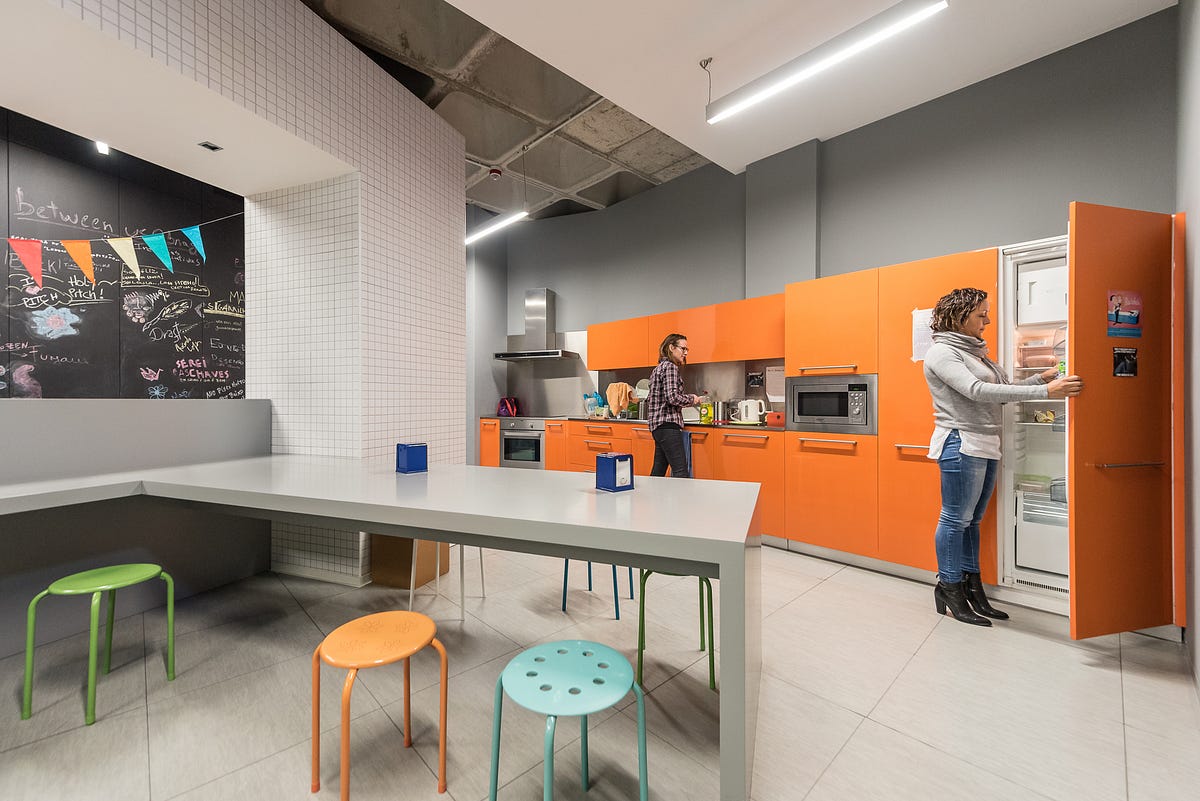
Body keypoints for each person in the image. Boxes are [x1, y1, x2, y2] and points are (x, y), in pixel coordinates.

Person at [924, 288, 1083, 626]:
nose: (987, 320)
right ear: (959, 315)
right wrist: (1044, 391)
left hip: (985, 441)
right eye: (981, 314)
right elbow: (976, 391)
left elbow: (1002, 389)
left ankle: (972, 588)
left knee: (972, 521)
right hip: (960, 441)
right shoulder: (942, 352)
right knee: (955, 519)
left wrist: (1041, 378)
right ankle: (949, 586)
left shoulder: (977, 353)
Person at [644, 333, 702, 477]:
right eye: (683, 349)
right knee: (681, 472)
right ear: (671, 347)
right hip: (668, 426)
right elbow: (672, 397)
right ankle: (681, 494)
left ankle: (653, 492)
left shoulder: (658, 368)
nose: (686, 353)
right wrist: (692, 399)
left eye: (687, 350)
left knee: (658, 470)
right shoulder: (670, 367)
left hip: (658, 427)